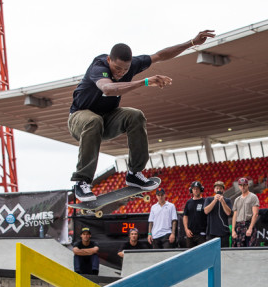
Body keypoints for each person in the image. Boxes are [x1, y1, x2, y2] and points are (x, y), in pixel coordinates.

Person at [68, 30, 216, 201]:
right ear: (109, 60)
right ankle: (82, 181)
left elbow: (160, 55)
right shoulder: (99, 67)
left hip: (107, 120)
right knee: (93, 120)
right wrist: (144, 82)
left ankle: (134, 173)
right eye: (117, 68)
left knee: (135, 115)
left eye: (125, 69)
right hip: (80, 119)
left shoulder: (134, 64)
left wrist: (191, 42)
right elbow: (108, 89)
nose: (121, 73)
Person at [203, 181, 232, 247]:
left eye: (220, 188)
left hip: (224, 232)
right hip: (211, 232)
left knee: (225, 253)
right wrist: (215, 200)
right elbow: (206, 211)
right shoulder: (208, 199)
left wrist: (222, 202)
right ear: (214, 190)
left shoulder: (227, 200)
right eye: (217, 188)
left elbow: (228, 213)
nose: (219, 190)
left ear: (223, 190)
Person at [231, 178, 259, 247]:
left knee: (250, 249)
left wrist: (250, 228)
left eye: (244, 185)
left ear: (247, 185)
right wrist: (233, 230)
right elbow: (235, 215)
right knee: (238, 251)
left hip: (248, 224)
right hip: (239, 226)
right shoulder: (237, 200)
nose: (242, 187)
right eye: (241, 185)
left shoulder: (253, 197)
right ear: (239, 186)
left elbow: (255, 214)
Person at [182, 181, 207, 248]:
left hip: (202, 234)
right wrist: (186, 229)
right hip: (190, 234)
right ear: (191, 190)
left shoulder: (205, 201)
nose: (195, 190)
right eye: (194, 189)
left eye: (197, 189)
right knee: (190, 255)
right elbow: (185, 216)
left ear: (201, 190)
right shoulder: (188, 202)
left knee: (202, 254)